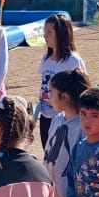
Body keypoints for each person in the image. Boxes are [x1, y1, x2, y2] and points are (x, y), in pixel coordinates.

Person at [43, 68, 91, 197]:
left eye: (52, 93)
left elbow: (84, 166)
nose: (48, 97)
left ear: (65, 97)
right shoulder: (57, 120)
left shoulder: (83, 126)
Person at [37, 14, 87, 146]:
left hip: (64, 118)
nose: (45, 35)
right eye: (44, 31)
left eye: (49, 32)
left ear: (61, 34)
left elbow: (82, 89)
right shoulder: (45, 59)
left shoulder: (73, 60)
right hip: (45, 116)